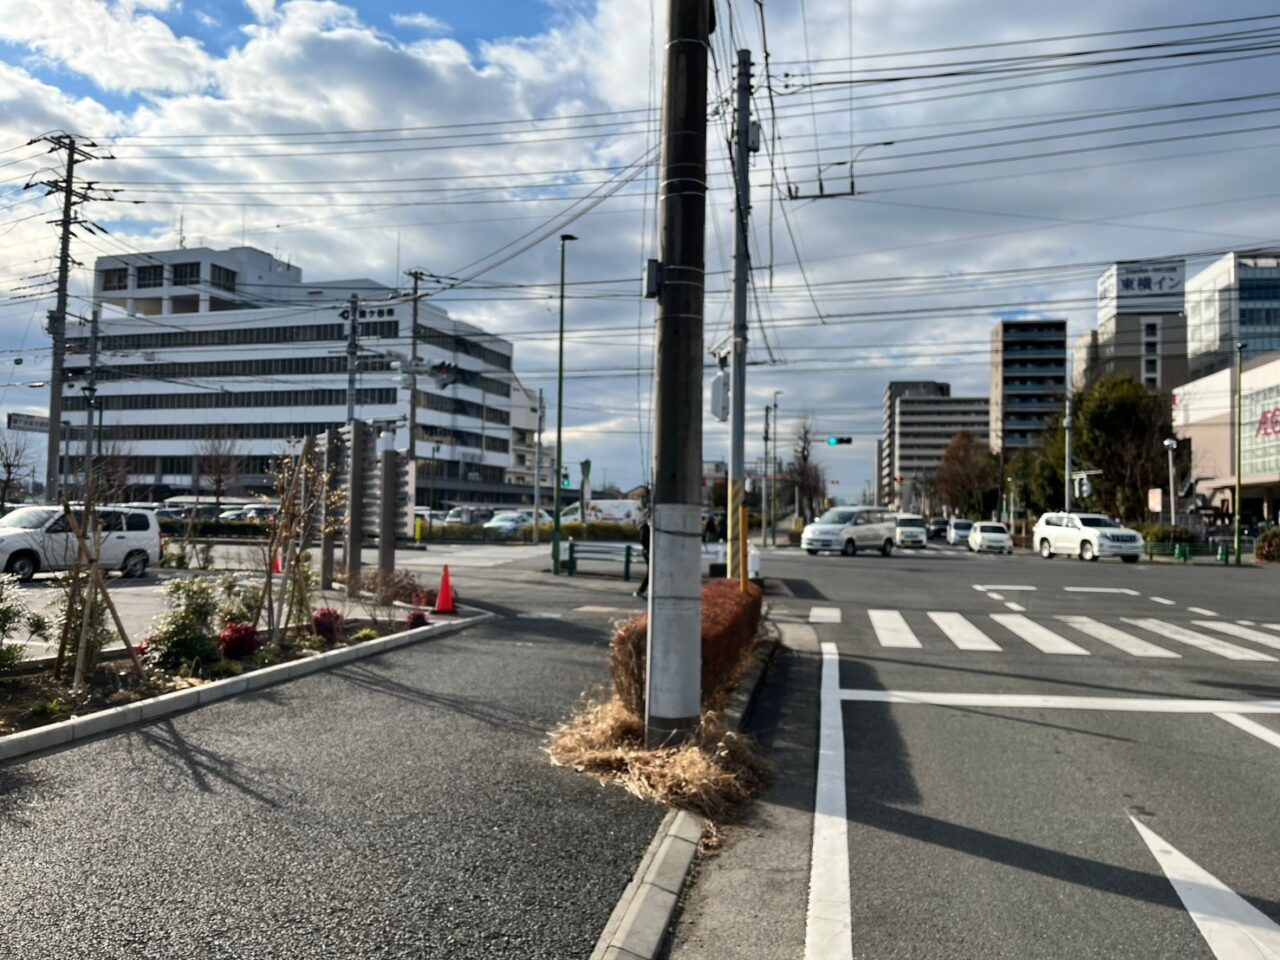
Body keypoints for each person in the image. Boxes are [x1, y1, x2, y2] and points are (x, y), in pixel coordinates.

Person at [634, 514, 651, 598]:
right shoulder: (647, 526)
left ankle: (643, 591)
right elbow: (643, 540)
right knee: (651, 573)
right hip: (648, 552)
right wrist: (649, 549)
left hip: (648, 551)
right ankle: (641, 591)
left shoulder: (647, 525)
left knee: (651, 573)